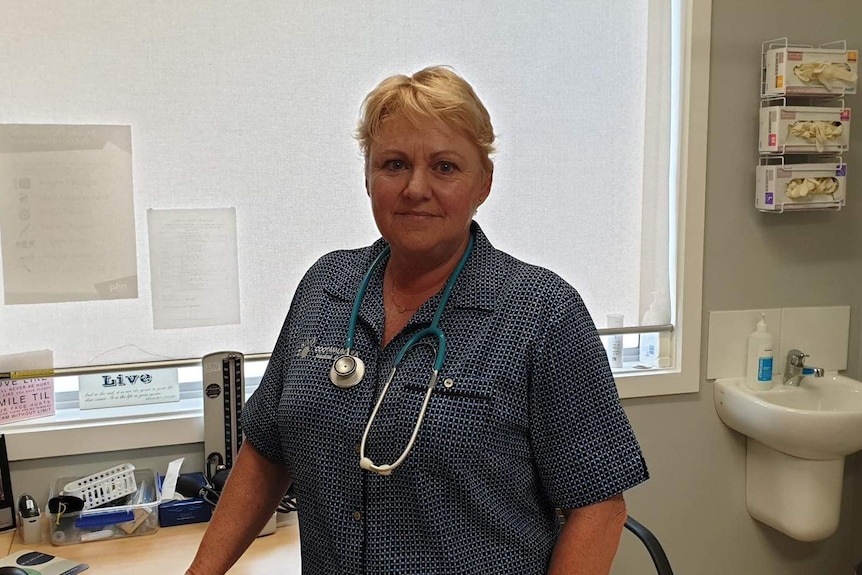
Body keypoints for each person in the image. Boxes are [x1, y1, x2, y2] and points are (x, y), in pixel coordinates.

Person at [186, 65, 648, 575]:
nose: (415, 188)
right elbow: (266, 451)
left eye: (446, 167)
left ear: (484, 184)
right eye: (394, 164)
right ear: (368, 176)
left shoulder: (542, 314)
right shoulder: (324, 288)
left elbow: (600, 506)